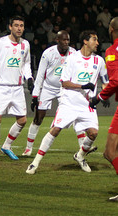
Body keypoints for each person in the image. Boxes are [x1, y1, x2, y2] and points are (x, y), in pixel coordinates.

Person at [26, 30, 109, 175]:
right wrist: (83, 86)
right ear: (85, 41)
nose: (97, 43)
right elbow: (64, 83)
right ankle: (35, 163)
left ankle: (80, 156)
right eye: (94, 40)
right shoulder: (72, 58)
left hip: (87, 105)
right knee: (55, 129)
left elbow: (105, 81)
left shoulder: (99, 61)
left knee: (93, 134)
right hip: (69, 102)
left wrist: (104, 95)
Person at [0, 15, 34, 165]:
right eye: (16, 25)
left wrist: (29, 78)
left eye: (22, 26)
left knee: (22, 120)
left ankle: (6, 146)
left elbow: (26, 64)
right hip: (0, 87)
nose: (19, 28)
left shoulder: (26, 44)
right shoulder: (0, 43)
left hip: (17, 88)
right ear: (10, 27)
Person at [89, 17, 118, 202]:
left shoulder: (112, 51)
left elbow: (115, 81)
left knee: (109, 151)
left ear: (110, 29)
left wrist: (99, 97)